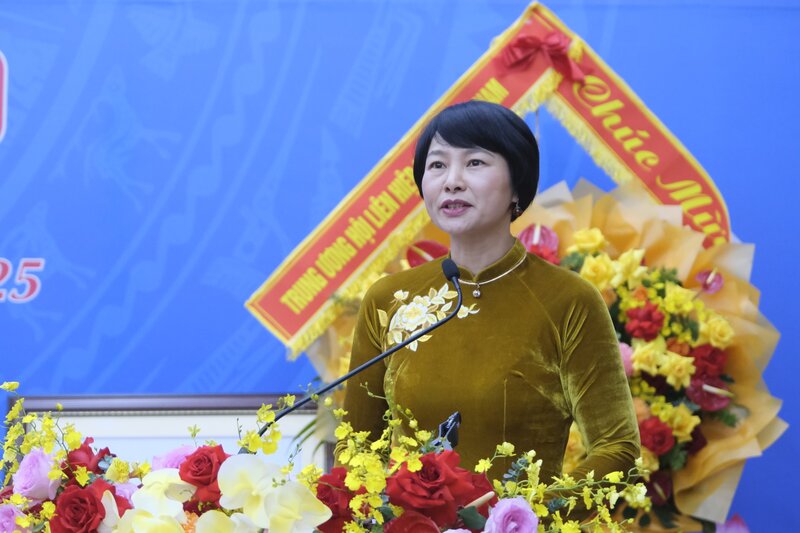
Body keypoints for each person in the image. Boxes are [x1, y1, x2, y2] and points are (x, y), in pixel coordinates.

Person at [342, 100, 639, 484]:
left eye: (475, 163)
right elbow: (356, 450)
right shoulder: (389, 299)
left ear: (518, 183)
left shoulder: (569, 301)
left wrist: (523, 518)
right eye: (437, 165)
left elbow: (617, 449)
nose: (452, 180)